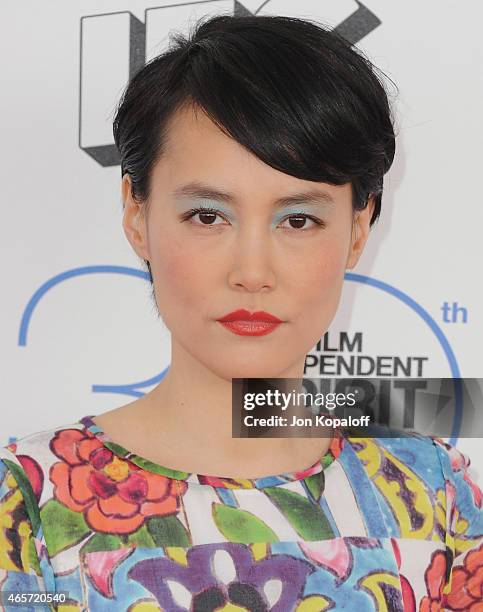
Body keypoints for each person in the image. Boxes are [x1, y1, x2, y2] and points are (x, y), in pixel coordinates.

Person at [1, 13, 482, 611]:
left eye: (298, 219)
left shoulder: (433, 491)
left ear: (358, 229)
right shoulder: (29, 502)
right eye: (208, 216)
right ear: (136, 214)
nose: (252, 272)